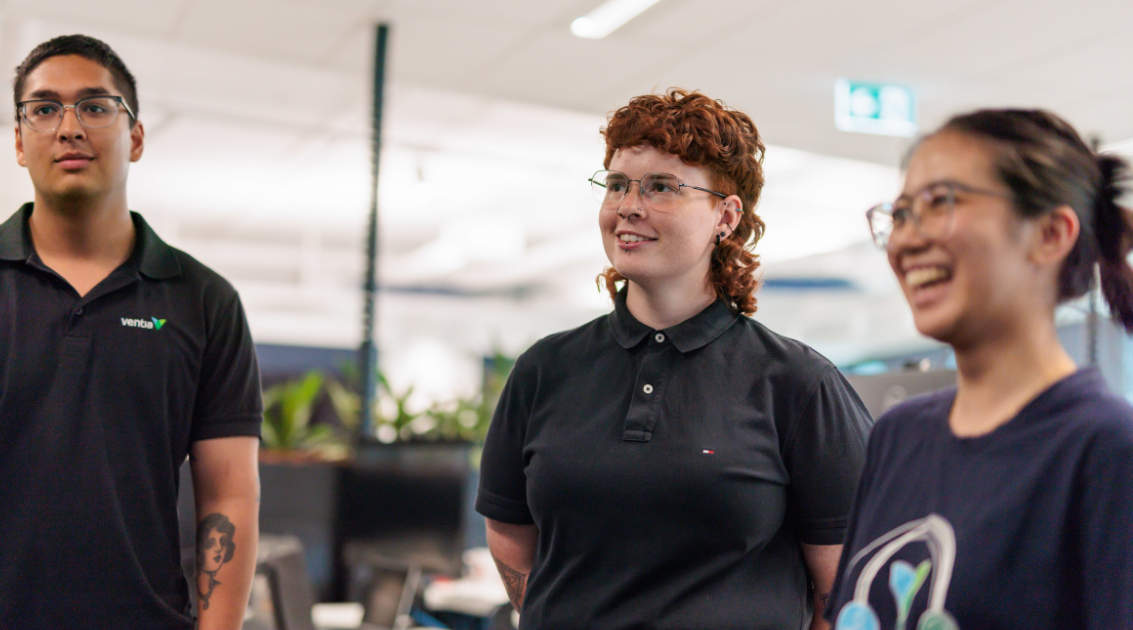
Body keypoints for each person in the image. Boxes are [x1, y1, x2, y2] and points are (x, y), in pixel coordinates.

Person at [477, 89, 874, 630]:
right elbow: (509, 531)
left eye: (662, 186)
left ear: (725, 216)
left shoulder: (800, 383)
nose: (628, 206)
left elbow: (846, 588)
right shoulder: (544, 369)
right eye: (617, 185)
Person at [0, 35, 263, 630]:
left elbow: (229, 495)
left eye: (95, 106)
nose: (68, 127)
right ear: (18, 140)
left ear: (135, 137)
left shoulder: (204, 300)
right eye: (43, 108)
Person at [826, 109, 1133, 630]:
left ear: (1050, 234)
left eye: (940, 202)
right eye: (899, 214)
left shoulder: (1105, 450)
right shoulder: (899, 436)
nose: (903, 241)